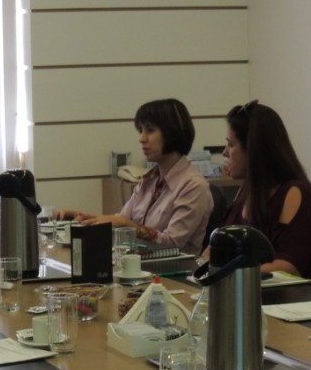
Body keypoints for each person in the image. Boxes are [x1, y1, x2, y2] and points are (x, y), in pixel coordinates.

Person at [55, 98, 212, 255]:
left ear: (172, 132)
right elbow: (120, 220)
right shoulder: (150, 179)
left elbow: (172, 244)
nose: (142, 138)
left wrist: (125, 224)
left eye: (150, 130)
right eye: (141, 131)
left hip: (173, 269)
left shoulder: (194, 186)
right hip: (137, 265)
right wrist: (84, 218)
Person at [220, 100, 311, 281]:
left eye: (231, 145)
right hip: (244, 291)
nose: (224, 152)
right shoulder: (247, 189)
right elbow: (217, 247)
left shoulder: (295, 192)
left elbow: (288, 266)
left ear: (253, 150)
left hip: (280, 296)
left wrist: (229, 276)